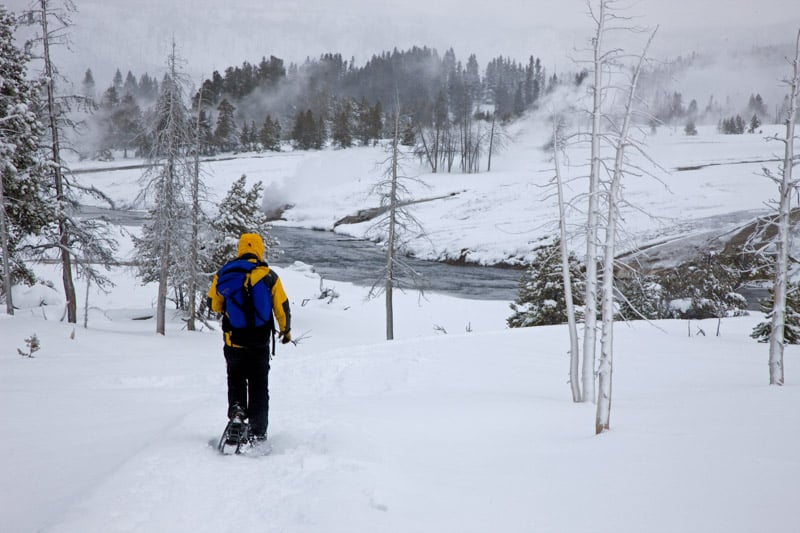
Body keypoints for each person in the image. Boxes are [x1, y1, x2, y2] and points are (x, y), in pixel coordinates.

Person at [207, 233, 291, 442]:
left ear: (240, 249)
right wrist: (285, 331)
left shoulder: (224, 274)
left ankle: (237, 413)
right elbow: (282, 307)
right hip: (259, 343)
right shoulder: (269, 276)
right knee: (258, 385)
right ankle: (258, 431)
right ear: (260, 249)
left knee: (235, 380)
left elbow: (213, 304)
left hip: (233, 341)